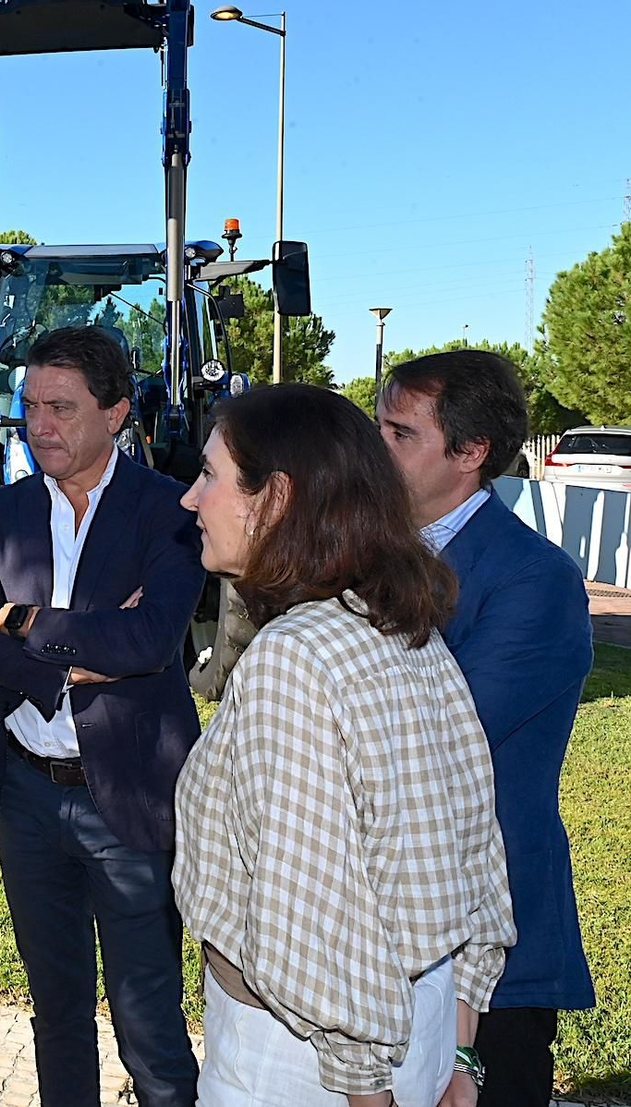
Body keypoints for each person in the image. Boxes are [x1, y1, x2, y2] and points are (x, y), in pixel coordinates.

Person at [173, 383, 516, 1107]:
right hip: (420, 1024)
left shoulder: (293, 656)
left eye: (210, 475)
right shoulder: (401, 627)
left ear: (274, 498)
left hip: (306, 1063)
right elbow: (476, 848)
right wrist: (458, 1050)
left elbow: (316, 912)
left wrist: (367, 1090)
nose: (190, 498)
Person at [0, 325, 205, 1107]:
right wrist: (72, 661)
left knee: (148, 1020)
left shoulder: (170, 509)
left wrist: (24, 622)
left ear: (118, 411)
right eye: (29, 405)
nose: (38, 424)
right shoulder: (1, 510)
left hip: (126, 795)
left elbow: (152, 636)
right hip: (26, 795)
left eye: (61, 407)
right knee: (55, 1012)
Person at [379, 350, 595, 1107]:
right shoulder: (369, 558)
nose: (377, 450)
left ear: (471, 454)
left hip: (488, 941)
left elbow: (438, 739)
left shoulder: (536, 578)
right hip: (377, 929)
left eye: (399, 434)